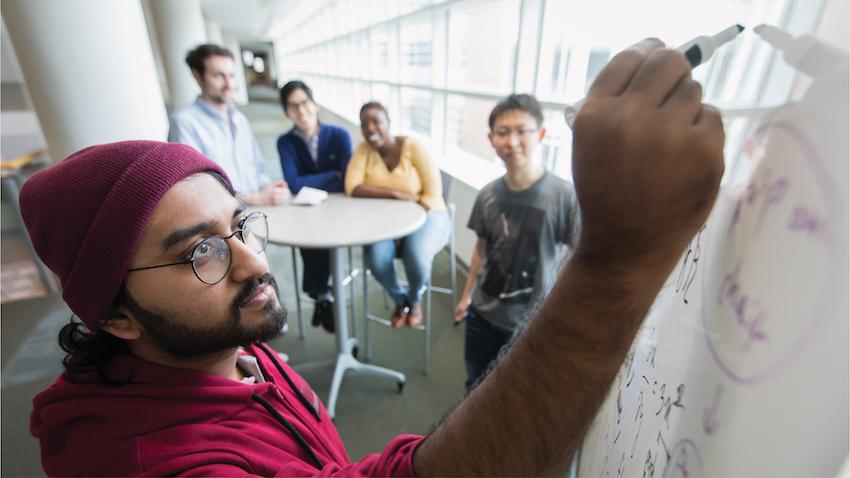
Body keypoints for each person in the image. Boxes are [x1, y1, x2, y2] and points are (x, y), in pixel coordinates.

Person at [24, 39, 724, 476]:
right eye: (201, 252)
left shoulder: (220, 350)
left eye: (241, 226)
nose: (252, 265)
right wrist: (616, 262)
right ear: (117, 318)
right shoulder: (163, 463)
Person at [455, 93, 581, 390]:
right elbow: (481, 250)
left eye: (521, 131)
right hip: (483, 316)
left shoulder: (563, 196)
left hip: (532, 325)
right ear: (491, 139)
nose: (512, 141)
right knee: (476, 386)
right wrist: (466, 295)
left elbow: (578, 258)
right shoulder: (487, 195)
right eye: (503, 132)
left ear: (540, 134)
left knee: (519, 393)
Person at [345, 102, 451, 328]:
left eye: (377, 121)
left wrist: (407, 227)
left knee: (416, 255)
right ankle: (399, 298)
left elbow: (433, 193)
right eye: (365, 124)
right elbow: (352, 187)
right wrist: (395, 193)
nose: (371, 128)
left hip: (429, 213)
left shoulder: (413, 146)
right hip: (386, 222)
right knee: (376, 258)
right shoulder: (364, 149)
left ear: (389, 123)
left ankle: (413, 301)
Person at [169, 43, 288, 206]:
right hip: (222, 222)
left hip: (256, 213)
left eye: (231, 75)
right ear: (197, 76)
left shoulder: (240, 119)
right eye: (218, 76)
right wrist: (255, 199)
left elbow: (258, 168)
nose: (228, 84)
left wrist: (268, 189)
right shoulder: (184, 123)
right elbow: (194, 187)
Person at [276, 80, 353, 333]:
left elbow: (347, 178)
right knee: (311, 240)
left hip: (343, 209)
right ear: (287, 112)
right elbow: (294, 183)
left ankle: (321, 295)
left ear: (316, 104)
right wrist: (332, 176)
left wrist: (312, 182)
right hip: (306, 211)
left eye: (305, 103)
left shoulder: (339, 135)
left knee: (329, 241)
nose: (301, 110)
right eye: (293, 106)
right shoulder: (285, 142)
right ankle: (325, 297)